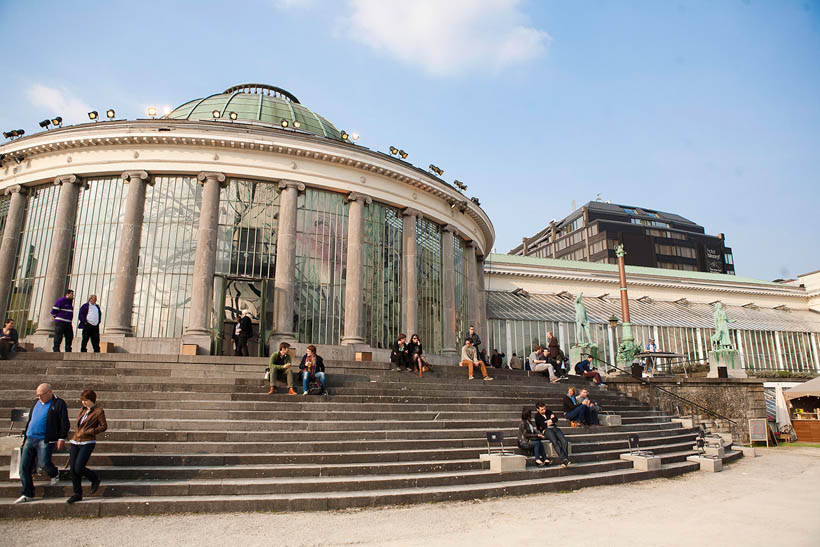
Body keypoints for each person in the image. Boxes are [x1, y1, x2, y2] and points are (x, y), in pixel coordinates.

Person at [15, 383, 70, 504]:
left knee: (44, 463)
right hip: (30, 438)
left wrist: (62, 437)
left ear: (50, 392)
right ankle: (27, 493)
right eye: (38, 395)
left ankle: (54, 473)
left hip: (45, 439)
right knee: (23, 467)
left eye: (41, 395)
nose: (39, 397)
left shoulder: (59, 403)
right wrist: (25, 434)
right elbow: (31, 419)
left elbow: (64, 421)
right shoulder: (36, 403)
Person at [66, 389, 107, 503]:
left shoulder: (98, 411)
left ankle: (94, 478)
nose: (83, 402)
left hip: (88, 441)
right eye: (82, 400)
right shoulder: (82, 410)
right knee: (73, 470)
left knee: (79, 467)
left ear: (92, 400)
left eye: (86, 400)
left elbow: (104, 426)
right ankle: (77, 493)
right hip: (75, 441)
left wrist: (91, 431)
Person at [534, 401, 570, 467]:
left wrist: (549, 422)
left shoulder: (548, 411)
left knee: (564, 441)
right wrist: (550, 420)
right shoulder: (537, 416)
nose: (544, 410)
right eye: (542, 409)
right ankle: (564, 459)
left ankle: (565, 460)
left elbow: (556, 419)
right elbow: (541, 426)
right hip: (546, 430)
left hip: (554, 428)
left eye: (544, 408)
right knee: (555, 442)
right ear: (537, 409)